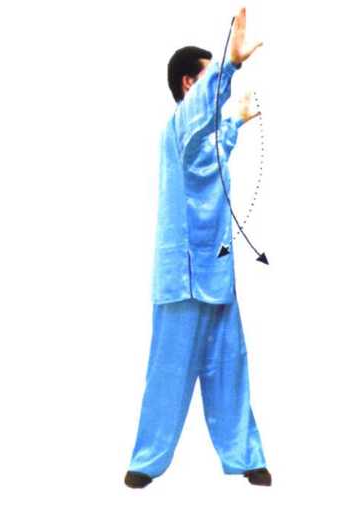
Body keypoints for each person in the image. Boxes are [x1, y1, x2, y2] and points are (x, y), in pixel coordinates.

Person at [123, 8, 271, 489]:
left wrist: (237, 124)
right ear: (190, 84)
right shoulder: (178, 128)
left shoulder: (202, 140)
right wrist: (230, 65)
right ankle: (147, 461)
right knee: (169, 373)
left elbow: (215, 150)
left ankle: (245, 456)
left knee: (230, 368)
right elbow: (199, 118)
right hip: (181, 279)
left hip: (217, 275)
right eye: (207, 79)